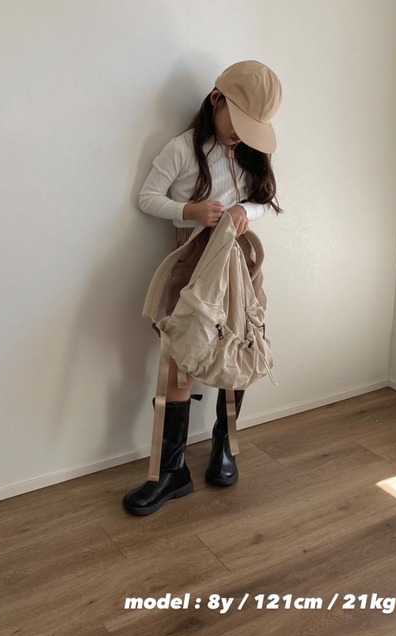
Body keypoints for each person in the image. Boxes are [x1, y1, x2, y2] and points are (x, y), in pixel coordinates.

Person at [123, 60, 282, 516]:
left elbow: (266, 201)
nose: (241, 135)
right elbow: (147, 197)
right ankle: (171, 471)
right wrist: (189, 212)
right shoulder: (182, 149)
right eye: (238, 122)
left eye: (253, 128)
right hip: (193, 264)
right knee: (181, 361)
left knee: (240, 347)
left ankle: (224, 447)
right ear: (216, 100)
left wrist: (244, 212)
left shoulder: (250, 153)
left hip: (240, 266)